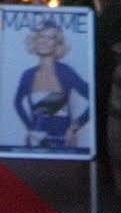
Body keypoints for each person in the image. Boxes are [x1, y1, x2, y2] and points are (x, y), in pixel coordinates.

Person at [13, 18, 91, 151]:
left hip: (63, 142)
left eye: (50, 38)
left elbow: (93, 97)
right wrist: (30, 128)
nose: (44, 41)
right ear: (35, 40)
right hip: (37, 143)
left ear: (57, 44)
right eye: (41, 36)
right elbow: (17, 103)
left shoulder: (66, 72)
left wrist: (74, 127)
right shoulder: (28, 75)